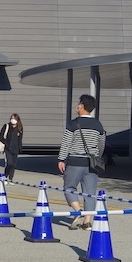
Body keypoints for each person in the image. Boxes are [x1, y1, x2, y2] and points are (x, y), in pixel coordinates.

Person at [57, 94, 105, 229]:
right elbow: (101, 143)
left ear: (82, 106)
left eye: (79, 104)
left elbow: (66, 143)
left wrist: (61, 159)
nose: (77, 106)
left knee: (69, 188)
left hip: (75, 162)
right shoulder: (98, 124)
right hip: (92, 164)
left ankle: (78, 211)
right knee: (89, 193)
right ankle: (87, 222)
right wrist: (97, 156)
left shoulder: (73, 124)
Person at [1, 113, 23, 181]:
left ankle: (10, 179)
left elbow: (20, 139)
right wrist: (6, 143)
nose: (13, 120)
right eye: (12, 118)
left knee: (13, 165)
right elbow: (1, 136)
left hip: (15, 149)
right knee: (9, 163)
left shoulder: (20, 128)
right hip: (8, 148)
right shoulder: (7, 126)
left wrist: (20, 148)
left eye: (14, 118)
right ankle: (5, 176)